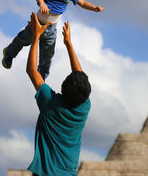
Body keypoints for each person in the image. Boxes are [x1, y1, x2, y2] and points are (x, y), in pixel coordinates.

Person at [2, 0, 103, 80]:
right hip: (37, 23)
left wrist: (94, 8)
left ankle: (41, 77)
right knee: (23, 40)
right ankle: (8, 54)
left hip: (51, 29)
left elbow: (82, 2)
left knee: (48, 55)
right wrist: (42, 3)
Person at [26, 12, 91, 176]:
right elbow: (79, 77)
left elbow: (32, 70)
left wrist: (36, 36)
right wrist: (68, 44)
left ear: (63, 88)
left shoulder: (50, 102)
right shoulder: (84, 108)